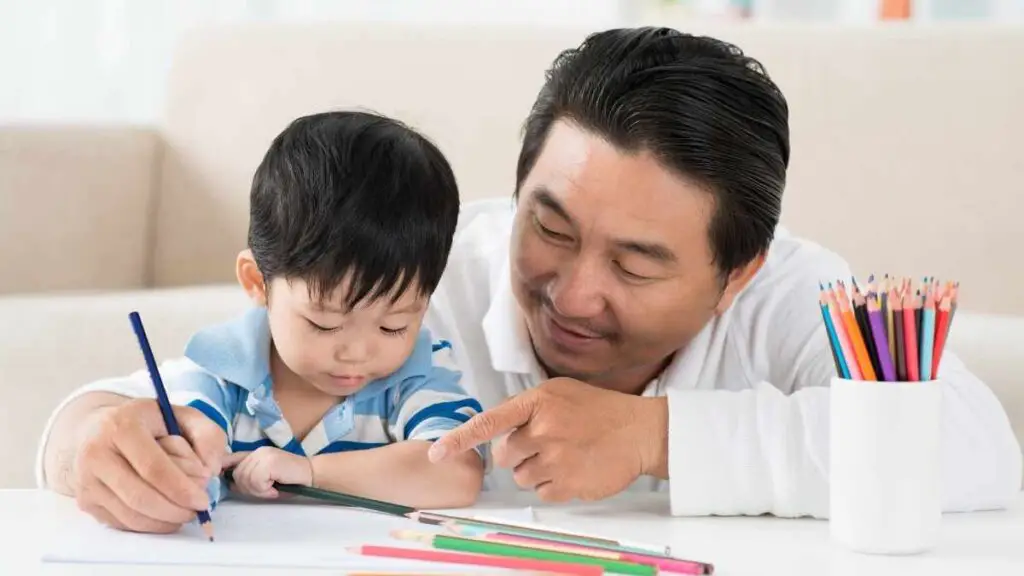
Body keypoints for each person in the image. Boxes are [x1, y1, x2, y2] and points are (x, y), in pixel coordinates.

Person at [421, 27, 1022, 517]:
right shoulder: (425, 275)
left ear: (737, 275)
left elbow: (975, 447)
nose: (575, 298)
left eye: (633, 266)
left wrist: (652, 437)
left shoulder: (791, 293)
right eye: (552, 230)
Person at [37, 110, 485, 534]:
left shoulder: (417, 375)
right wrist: (179, 477)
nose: (357, 351)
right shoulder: (221, 374)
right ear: (257, 281)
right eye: (325, 324)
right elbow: (176, 455)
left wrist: (310, 473)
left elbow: (456, 470)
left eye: (393, 326)